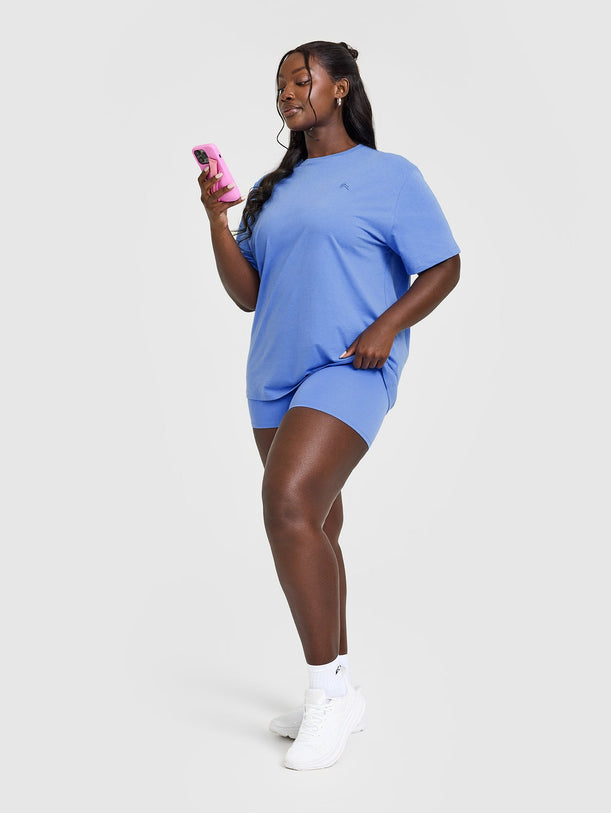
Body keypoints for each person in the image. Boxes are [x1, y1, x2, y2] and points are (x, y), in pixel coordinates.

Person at [197, 40, 460, 771]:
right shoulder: (271, 189)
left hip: (350, 366)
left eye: (300, 79)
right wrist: (217, 219)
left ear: (340, 87)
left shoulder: (389, 175)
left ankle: (325, 695)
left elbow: (444, 265)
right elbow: (248, 294)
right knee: (315, 523)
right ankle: (341, 687)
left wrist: (386, 327)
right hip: (273, 376)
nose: (287, 92)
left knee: (286, 503)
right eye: (280, 84)